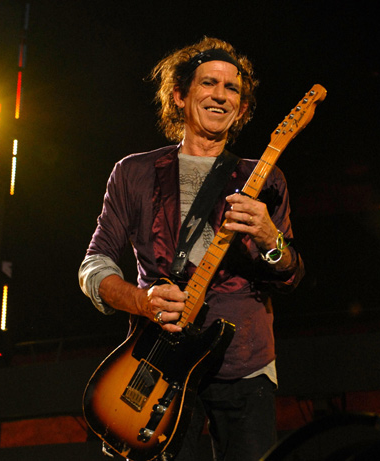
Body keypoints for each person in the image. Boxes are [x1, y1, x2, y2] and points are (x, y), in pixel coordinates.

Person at [79, 37, 305, 461]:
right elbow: (94, 265)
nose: (221, 95)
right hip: (156, 362)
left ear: (242, 107)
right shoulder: (134, 173)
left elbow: (290, 276)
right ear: (179, 95)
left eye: (232, 88)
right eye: (208, 83)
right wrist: (143, 301)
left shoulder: (265, 179)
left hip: (245, 364)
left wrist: (269, 238)